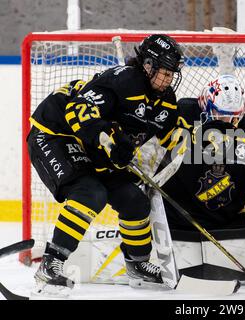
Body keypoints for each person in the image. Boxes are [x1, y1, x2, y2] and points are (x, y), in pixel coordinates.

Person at [27, 34, 184, 295]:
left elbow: (172, 136)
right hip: (56, 133)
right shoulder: (124, 80)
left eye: (172, 73)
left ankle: (138, 265)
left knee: (134, 198)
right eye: (164, 72)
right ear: (148, 66)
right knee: (90, 193)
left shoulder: (166, 99)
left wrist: (183, 141)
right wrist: (111, 138)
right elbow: (77, 111)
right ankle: (50, 265)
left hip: (94, 148)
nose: (168, 78)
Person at [147, 74, 245, 281]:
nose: (226, 121)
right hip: (175, 222)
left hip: (229, 228)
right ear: (205, 107)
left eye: (232, 117)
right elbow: (153, 151)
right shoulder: (181, 113)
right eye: (219, 115)